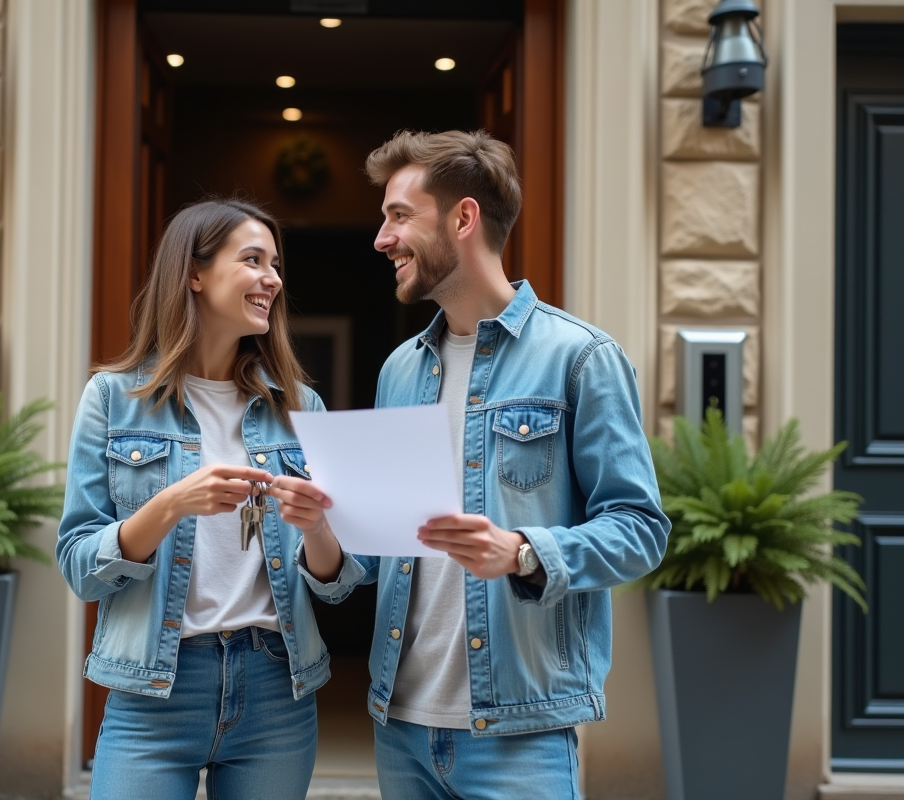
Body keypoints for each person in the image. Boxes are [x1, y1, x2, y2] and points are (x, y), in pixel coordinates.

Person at [301, 130, 671, 799]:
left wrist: (523, 552)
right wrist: (317, 529)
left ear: (463, 218)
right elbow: (371, 563)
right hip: (401, 727)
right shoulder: (400, 370)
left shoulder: (581, 358)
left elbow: (641, 529)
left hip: (518, 734)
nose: (382, 239)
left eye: (399, 215)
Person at [56, 198, 359, 800]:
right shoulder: (113, 399)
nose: (273, 278)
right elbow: (78, 566)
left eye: (275, 264)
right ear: (194, 274)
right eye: (253, 259)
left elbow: (339, 581)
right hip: (155, 690)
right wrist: (170, 504)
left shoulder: (301, 409)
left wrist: (320, 529)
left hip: (276, 687)